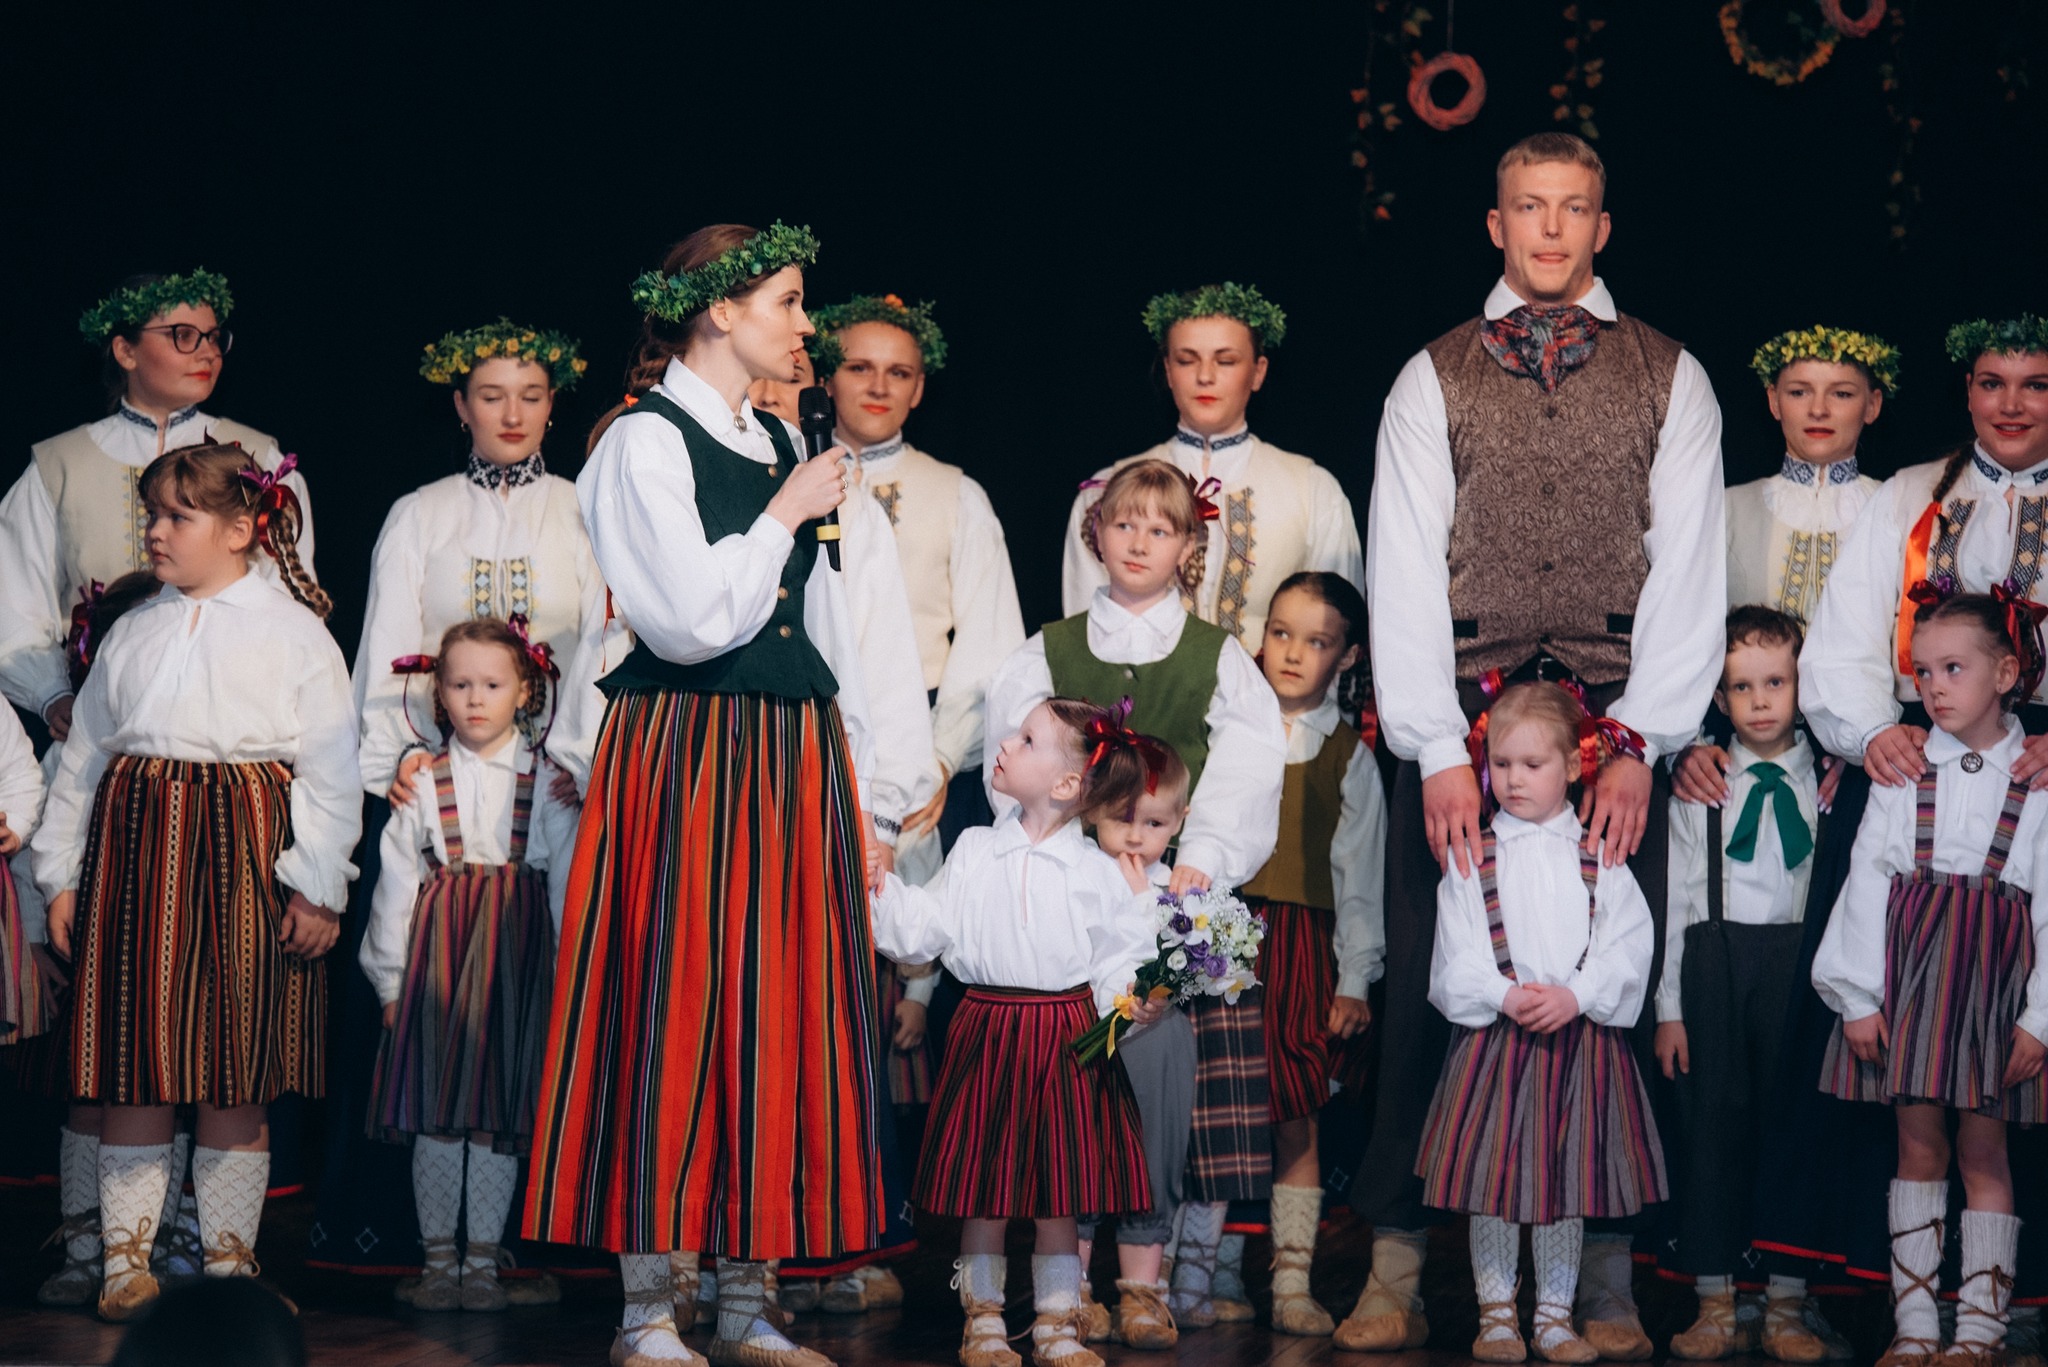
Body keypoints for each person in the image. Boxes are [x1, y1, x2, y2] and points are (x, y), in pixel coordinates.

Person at [1356, 131, 1724, 1359]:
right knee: (1436, 991)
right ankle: (1399, 1259)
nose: (1551, 229)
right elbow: (1403, 561)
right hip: (1466, 719)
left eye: (1572, 208)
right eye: (1529, 207)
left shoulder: (1669, 373)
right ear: (1496, 224)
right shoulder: (1432, 374)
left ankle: (1600, 1273)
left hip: (1610, 722)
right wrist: (1433, 747)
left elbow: (1688, 568)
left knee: (1602, 985)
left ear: (1600, 227)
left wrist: (1639, 739)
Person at [521, 223, 883, 1367]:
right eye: (788, 299)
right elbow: (685, 621)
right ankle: (646, 1308)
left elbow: (820, 625)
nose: (805, 322)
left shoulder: (777, 434)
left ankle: (746, 1300)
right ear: (720, 309)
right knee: (671, 1000)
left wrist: (855, 786)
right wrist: (781, 513)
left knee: (774, 1005)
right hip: (688, 746)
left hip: (784, 746)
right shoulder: (642, 440)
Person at [33, 442, 356, 1322]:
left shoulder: (294, 633)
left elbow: (330, 771)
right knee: (136, 1061)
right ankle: (125, 1266)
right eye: (153, 514)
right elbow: (84, 762)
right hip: (138, 856)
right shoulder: (134, 629)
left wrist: (317, 883)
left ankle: (228, 1271)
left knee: (232, 1067)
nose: (157, 531)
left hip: (244, 853)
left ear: (242, 528)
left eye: (179, 515)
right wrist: (60, 875)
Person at [313, 318, 604, 1290]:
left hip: (551, 784)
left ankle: (516, 1247)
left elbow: (603, 646)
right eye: (491, 394)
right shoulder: (421, 512)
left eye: (531, 394)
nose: (512, 412)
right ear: (459, 405)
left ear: (553, 404)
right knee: (436, 1069)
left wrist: (581, 760)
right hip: (442, 789)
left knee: (523, 1061)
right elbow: (388, 651)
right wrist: (403, 755)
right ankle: (434, 1250)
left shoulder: (581, 509)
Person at [986, 457, 1286, 1332]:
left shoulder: (1214, 656)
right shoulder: (1050, 649)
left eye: (1160, 528)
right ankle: (1067, 1284)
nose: (1139, 541)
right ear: (1097, 534)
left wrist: (1203, 858)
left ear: (1189, 546)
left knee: (1165, 1095)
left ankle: (1147, 1283)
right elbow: (1014, 766)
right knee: (1076, 1095)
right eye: (1124, 524)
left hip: (1165, 911)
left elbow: (1247, 766)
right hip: (1072, 911)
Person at [871, 698, 1159, 1367]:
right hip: (989, 1030)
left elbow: (1119, 957)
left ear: (1066, 783)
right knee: (987, 1189)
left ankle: (1058, 1322)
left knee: (1059, 1194)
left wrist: (1132, 999)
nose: (1004, 742)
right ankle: (984, 1319)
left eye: (1027, 739)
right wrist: (882, 890)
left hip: (1065, 1038)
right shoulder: (976, 850)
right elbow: (927, 925)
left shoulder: (1094, 871)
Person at [1813, 588, 2048, 1367]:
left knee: (1984, 1155)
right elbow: (1866, 883)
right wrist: (1856, 997)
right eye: (1922, 671)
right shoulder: (1904, 771)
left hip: (1993, 993)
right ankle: (1914, 1326)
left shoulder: (2037, 779)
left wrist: (2039, 1018)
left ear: (2006, 673)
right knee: (1918, 1150)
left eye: (1954, 668)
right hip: (1914, 985)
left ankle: (1979, 1331)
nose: (1935, 687)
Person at [1415, 682, 1664, 1364]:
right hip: (1494, 1043)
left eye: (1532, 764)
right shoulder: (1472, 856)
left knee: (1564, 1182)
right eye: (1500, 764)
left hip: (1577, 1045)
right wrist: (1501, 994)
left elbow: (1628, 945)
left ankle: (1554, 1315)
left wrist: (1577, 995)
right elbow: (1454, 956)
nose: (1514, 779)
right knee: (1493, 1185)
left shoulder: (1598, 854)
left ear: (1574, 765)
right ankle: (1497, 1315)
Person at [359, 619, 580, 1313]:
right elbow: (396, 886)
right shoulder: (423, 780)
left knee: (495, 1112)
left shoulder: (547, 780)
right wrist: (389, 982)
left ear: (525, 693)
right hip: (440, 964)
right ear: (439, 695)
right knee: (436, 1110)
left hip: (517, 960)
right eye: (460, 685)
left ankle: (482, 1263)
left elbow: (565, 885)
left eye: (492, 684)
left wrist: (566, 977)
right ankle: (437, 1262)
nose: (475, 699)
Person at [0, 269, 315, 744]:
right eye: (183, 336)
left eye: (214, 337)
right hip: (101, 727)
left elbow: (286, 598)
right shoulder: (61, 465)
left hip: (229, 727)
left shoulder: (259, 459)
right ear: (125, 351)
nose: (208, 353)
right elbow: (12, 602)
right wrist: (52, 695)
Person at [1656, 607, 1832, 1361]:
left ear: (1802, 685)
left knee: (1795, 1129)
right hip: (1713, 970)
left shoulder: (1830, 782)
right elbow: (1676, 902)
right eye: (1741, 687)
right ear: (1717, 696)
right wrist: (1669, 1009)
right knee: (1712, 1131)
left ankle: (1789, 1305)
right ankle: (1715, 1302)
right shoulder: (1699, 784)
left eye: (1775, 683)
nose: (1759, 701)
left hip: (1800, 974)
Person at [809, 294, 1024, 883]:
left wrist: (940, 757)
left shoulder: (956, 494)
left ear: (919, 388)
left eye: (899, 372)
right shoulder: (788, 480)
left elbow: (990, 639)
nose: (879, 386)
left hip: (926, 733)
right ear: (826, 380)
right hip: (811, 722)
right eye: (860, 367)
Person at [1238, 571, 1386, 1337]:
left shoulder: (1347, 755)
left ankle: (1291, 1278)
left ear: (1348, 655)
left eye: (1317, 641)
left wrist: (1355, 977)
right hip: (1223, 935)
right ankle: (1198, 1271)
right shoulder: (1230, 730)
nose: (1293, 653)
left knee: (1296, 1110)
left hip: (1300, 944)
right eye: (1281, 633)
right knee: (1214, 1108)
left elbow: (1361, 879)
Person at [1060, 284, 1361, 646]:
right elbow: (1085, 634)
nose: (1205, 376)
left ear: (1258, 371)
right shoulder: (1108, 490)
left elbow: (1338, 635)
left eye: (1226, 361)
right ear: (1168, 370)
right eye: (1187, 360)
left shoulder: (1311, 490)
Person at [1672, 327, 1893, 809]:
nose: (1819, 410)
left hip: (1867, 767)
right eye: (1799, 392)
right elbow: (1681, 632)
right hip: (1736, 756)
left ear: (1872, 405)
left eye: (1841, 394)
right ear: (1774, 401)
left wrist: (1861, 741)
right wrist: (1685, 746)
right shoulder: (1726, 509)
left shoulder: (1896, 509)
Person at [15, 572, 159, 1307]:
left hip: (150, 942)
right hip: (80, 953)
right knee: (87, 1098)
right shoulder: (72, 751)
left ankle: (150, 1244)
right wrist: (37, 942)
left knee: (158, 1093)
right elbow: (36, 850)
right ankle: (82, 1248)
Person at [1078, 737, 1198, 1351]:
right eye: (1122, 817)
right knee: (1080, 1158)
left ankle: (1142, 1294)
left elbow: (1192, 961)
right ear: (1092, 808)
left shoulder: (1178, 889)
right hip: (1086, 1033)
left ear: (1178, 822)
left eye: (1153, 823)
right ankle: (1069, 1292)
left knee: (1155, 1157)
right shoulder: (1076, 871)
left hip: (1155, 1036)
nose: (1134, 835)